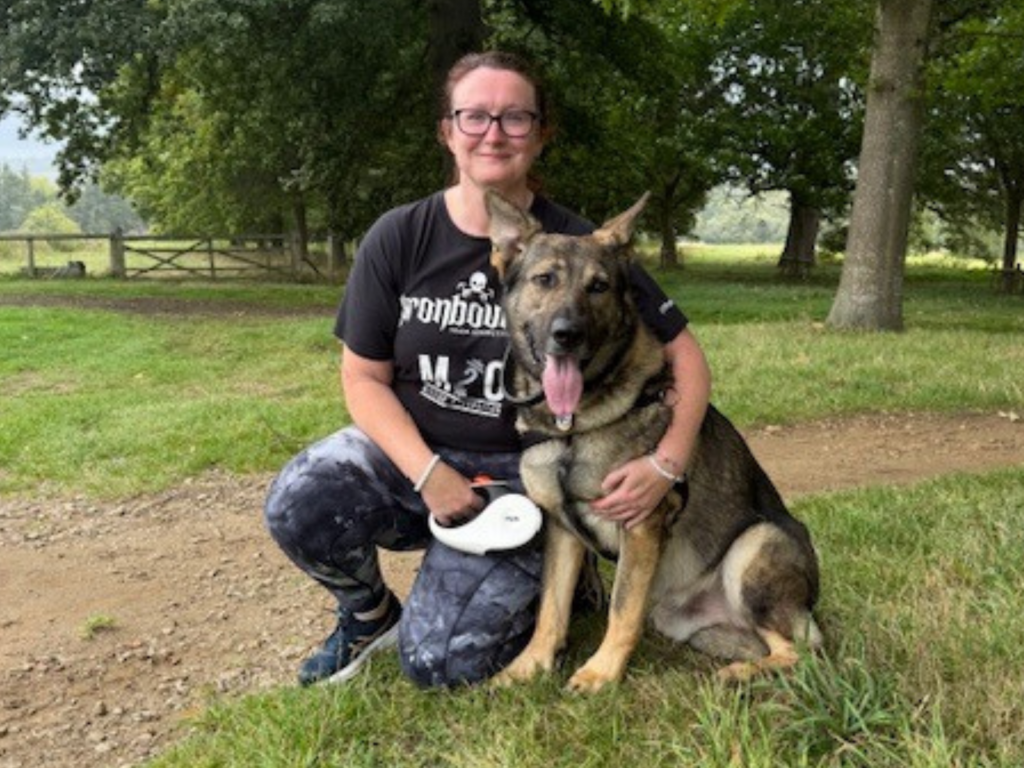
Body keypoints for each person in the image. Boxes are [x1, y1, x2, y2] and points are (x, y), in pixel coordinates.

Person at [263, 50, 712, 688]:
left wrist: (666, 465)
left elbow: (686, 356)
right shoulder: (399, 236)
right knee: (301, 501)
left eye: (515, 118)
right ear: (448, 131)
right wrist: (428, 474)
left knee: (440, 664)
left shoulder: (583, 248)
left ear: (541, 133)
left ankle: (554, 575)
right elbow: (362, 378)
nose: (493, 133)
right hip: (415, 458)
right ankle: (368, 616)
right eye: (474, 116)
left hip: (522, 478)